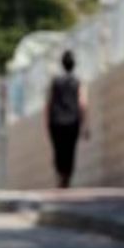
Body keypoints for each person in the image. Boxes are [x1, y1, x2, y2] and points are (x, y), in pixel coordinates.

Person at [45, 50, 87, 188]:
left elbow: (49, 102)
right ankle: (66, 176)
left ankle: (60, 174)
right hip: (72, 121)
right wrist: (85, 122)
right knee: (70, 150)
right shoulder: (78, 82)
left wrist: (46, 121)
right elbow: (82, 103)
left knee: (58, 149)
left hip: (56, 121)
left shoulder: (55, 82)